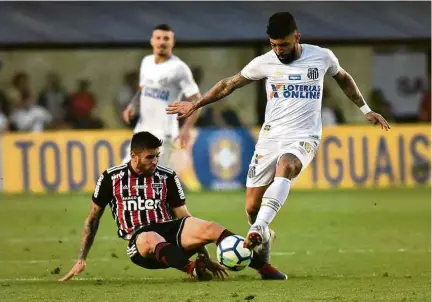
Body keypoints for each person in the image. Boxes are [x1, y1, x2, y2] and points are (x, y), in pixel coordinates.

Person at [166, 12, 391, 279]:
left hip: (304, 135)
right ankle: (263, 244)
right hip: (270, 137)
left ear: (297, 36)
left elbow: (342, 77)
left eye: (282, 44)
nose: (278, 50)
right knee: (251, 206)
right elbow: (229, 84)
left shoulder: (321, 57)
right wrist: (196, 104)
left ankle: (261, 226)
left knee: (288, 165)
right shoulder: (265, 62)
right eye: (273, 44)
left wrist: (365, 108)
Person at [59, 131, 284, 282]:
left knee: (209, 227)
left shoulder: (167, 176)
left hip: (170, 230)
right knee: (148, 237)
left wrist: (205, 254)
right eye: (149, 157)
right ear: (134, 155)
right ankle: (193, 271)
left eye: (157, 156)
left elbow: (185, 218)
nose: (155, 161)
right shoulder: (111, 178)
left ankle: (262, 267)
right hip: (140, 245)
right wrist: (82, 258)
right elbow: (93, 218)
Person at [122, 24, 202, 166]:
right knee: (125, 175)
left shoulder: (179, 68)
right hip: (141, 130)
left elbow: (197, 101)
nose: (162, 42)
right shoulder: (146, 62)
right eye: (158, 38)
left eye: (166, 38)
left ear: (172, 42)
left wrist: (186, 129)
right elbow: (143, 88)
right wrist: (132, 105)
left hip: (164, 134)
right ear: (152, 41)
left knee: (153, 181)